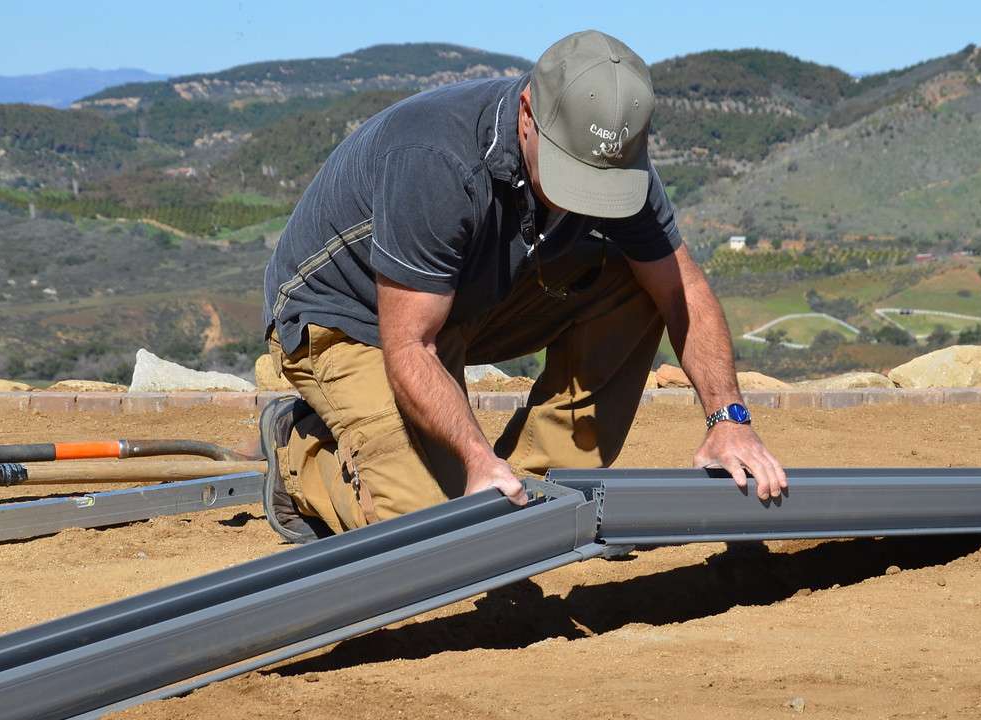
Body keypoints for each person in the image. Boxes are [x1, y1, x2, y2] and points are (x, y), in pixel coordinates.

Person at [258, 29, 786, 542]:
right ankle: (300, 454)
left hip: (465, 301)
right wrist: (473, 457)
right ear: (529, 114)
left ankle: (533, 486)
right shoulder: (436, 160)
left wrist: (729, 418)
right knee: (427, 531)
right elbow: (409, 342)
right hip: (352, 317)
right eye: (571, 174)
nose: (582, 199)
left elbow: (681, 290)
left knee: (642, 281)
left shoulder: (613, 157)